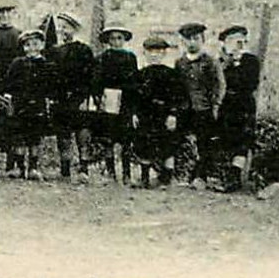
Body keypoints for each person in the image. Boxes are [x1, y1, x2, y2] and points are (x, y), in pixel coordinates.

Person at [130, 34, 188, 188]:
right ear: (145, 53)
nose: (154, 54)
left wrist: (173, 114)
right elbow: (134, 96)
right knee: (144, 144)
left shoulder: (171, 74)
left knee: (167, 144)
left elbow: (177, 96)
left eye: (158, 51)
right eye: (151, 51)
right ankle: (144, 178)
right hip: (146, 114)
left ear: (164, 53)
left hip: (164, 114)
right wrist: (134, 113)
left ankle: (166, 179)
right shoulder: (141, 74)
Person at [48, 13, 96, 182]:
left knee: (82, 134)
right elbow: (51, 76)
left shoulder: (84, 50)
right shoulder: (54, 51)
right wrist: (52, 96)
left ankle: (84, 169)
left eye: (66, 27)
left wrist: (85, 97)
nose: (62, 30)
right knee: (63, 134)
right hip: (61, 98)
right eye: (60, 27)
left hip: (79, 97)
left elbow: (90, 76)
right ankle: (65, 169)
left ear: (74, 29)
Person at [2, 27, 54, 179]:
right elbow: (9, 83)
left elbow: (50, 86)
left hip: (37, 106)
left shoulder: (46, 65)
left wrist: (48, 100)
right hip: (20, 105)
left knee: (35, 139)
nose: (32, 48)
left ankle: (33, 168)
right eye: (28, 45)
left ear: (42, 45)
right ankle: (19, 167)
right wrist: (9, 99)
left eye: (36, 44)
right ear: (24, 47)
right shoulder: (17, 63)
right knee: (19, 138)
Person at [175, 21, 224, 183]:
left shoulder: (210, 61)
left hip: (203, 108)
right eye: (188, 39)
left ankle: (200, 176)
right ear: (183, 42)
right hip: (184, 108)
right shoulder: (180, 63)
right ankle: (181, 174)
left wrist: (215, 105)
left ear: (202, 40)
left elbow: (219, 85)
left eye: (196, 38)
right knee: (181, 140)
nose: (192, 42)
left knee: (204, 142)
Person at [215, 24, 260, 192]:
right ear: (225, 43)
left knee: (243, 141)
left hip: (243, 104)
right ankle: (222, 176)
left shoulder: (250, 61)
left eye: (241, 40)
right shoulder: (220, 62)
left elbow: (251, 84)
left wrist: (238, 63)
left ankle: (234, 178)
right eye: (234, 40)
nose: (238, 44)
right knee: (224, 139)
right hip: (226, 105)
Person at [92, 26, 138, 185]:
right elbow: (96, 80)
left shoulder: (130, 58)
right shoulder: (103, 58)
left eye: (120, 38)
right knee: (108, 138)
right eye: (113, 38)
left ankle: (126, 173)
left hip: (125, 100)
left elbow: (134, 81)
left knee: (125, 138)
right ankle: (110, 172)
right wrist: (100, 98)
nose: (116, 42)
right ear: (108, 41)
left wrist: (132, 105)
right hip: (108, 99)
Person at [0, 0, 24, 173]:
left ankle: (12, 165)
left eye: (7, 12)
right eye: (0, 12)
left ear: (13, 13)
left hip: (14, 84)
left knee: (13, 123)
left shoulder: (19, 35)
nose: (4, 16)